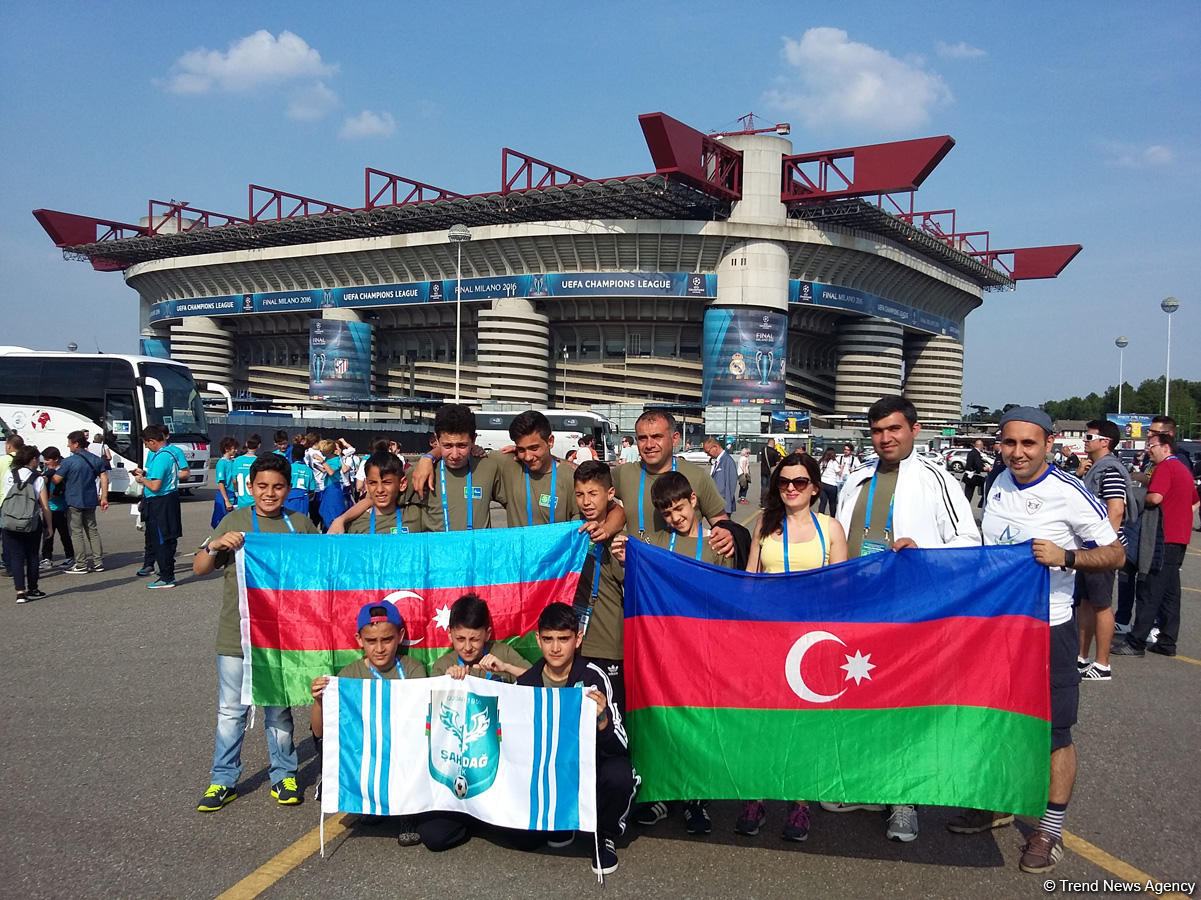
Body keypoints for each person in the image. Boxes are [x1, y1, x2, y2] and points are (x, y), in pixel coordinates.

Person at [950, 406, 1124, 875]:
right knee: (994, 720)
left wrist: (1067, 557)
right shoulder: (997, 482)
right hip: (999, 629)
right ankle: (996, 803)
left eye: (1029, 443)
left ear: (1048, 444)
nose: (1018, 452)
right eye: (1010, 443)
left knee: (1054, 733)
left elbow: (1115, 553)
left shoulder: (1069, 493)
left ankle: (1049, 828)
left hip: (1051, 629)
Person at [836, 396, 980, 844]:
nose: (886, 438)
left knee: (904, 704)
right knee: (860, 699)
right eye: (878, 431)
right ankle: (864, 783)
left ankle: (904, 798)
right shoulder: (855, 479)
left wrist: (923, 553)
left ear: (914, 430)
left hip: (912, 613)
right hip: (860, 611)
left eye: (894, 429)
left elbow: (968, 540)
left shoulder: (937, 479)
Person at [193, 452, 319, 813]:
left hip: (282, 637)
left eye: (278, 487)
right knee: (230, 711)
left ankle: (285, 774)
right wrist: (214, 545)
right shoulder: (234, 520)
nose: (269, 493)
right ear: (250, 487)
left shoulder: (301, 524)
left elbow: (322, 574)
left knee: (278, 710)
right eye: (262, 486)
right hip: (238, 634)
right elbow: (200, 567)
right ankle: (223, 779)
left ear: (288, 488)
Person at [612, 470, 735, 836]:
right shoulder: (655, 545)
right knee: (665, 721)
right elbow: (633, 581)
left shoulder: (716, 544)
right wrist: (624, 559)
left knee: (699, 723)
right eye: (667, 514)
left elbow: (728, 596)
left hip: (703, 651)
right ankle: (663, 791)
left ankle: (697, 797)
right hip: (666, 652)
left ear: (694, 501)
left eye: (680, 509)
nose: (675, 518)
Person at [738, 452, 848, 842]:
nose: (791, 488)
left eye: (800, 482)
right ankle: (756, 796)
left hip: (810, 642)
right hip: (768, 638)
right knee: (762, 723)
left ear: (814, 488)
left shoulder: (830, 528)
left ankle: (799, 803)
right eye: (784, 482)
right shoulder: (766, 526)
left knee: (803, 727)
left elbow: (841, 590)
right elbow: (750, 580)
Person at [310, 600, 466, 851]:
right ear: (359, 640)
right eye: (371, 641)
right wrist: (318, 701)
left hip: (403, 748)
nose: (380, 649)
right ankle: (368, 798)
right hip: (370, 749)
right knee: (328, 747)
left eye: (387, 640)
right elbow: (320, 732)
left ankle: (407, 814)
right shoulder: (349, 676)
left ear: (400, 636)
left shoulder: (413, 669)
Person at [517, 602, 640, 875]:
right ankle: (561, 821)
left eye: (564, 639)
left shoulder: (595, 677)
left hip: (590, 768)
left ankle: (604, 834)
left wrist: (603, 720)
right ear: (538, 639)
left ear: (578, 638)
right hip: (549, 772)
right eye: (548, 639)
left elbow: (621, 745)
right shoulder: (526, 683)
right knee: (521, 840)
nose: (556, 648)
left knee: (620, 774)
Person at [1112, 430, 1198, 659]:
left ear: (1166, 447)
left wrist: (1140, 495)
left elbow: (1155, 497)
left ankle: (1136, 641)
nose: (1148, 449)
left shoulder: (1166, 467)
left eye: (1152, 445)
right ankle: (1168, 640)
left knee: (1150, 590)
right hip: (1179, 538)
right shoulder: (1184, 470)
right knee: (1170, 593)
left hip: (1162, 537)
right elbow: (1194, 501)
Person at [607, 410, 732, 559]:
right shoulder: (623, 473)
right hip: (639, 573)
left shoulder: (697, 476)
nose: (649, 444)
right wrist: (612, 522)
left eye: (657, 437)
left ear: (674, 439)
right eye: (642, 438)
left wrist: (728, 533)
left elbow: (721, 522)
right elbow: (592, 491)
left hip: (680, 573)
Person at [1074, 419, 1135, 680]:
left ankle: (1102, 663)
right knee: (1086, 602)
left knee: (1101, 605)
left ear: (1104, 442)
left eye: (1089, 437)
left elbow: (1116, 510)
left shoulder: (1110, 470)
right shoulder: (1094, 468)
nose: (1085, 441)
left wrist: (1103, 545)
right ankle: (1081, 656)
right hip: (1088, 548)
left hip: (1100, 548)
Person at [570, 461, 627, 712]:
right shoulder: (572, 527)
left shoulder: (622, 536)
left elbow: (627, 582)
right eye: (580, 494)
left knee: (609, 710)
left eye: (593, 494)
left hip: (608, 639)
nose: (586, 502)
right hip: (577, 639)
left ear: (610, 494)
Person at [431, 593, 531, 682]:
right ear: (449, 634)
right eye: (460, 639)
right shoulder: (442, 666)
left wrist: (506, 667)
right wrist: (446, 681)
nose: (467, 647)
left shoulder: (504, 653)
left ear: (488, 634)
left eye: (474, 639)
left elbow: (540, 681)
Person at [132, 424, 184, 589]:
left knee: (162, 539)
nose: (146, 447)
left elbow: (155, 486)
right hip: (167, 499)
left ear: (153, 441)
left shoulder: (162, 456)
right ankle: (165, 573)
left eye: (147, 443)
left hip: (161, 501)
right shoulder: (170, 453)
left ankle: (166, 576)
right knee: (163, 538)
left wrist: (141, 480)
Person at [54, 430, 109, 575]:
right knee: (93, 531)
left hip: (74, 499)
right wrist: (104, 497)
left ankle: (81, 563)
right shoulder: (95, 459)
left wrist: (50, 472)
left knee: (76, 533)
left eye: (69, 444)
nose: (68, 447)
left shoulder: (68, 462)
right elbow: (104, 478)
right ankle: (98, 562)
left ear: (76, 443)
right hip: (90, 499)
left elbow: (56, 480)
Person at [3, 446, 52, 602]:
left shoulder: (9, 475)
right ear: (33, 459)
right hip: (31, 521)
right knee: (32, 555)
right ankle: (33, 589)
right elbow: (45, 506)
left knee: (16, 556)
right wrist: (48, 526)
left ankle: (20, 592)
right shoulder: (38, 479)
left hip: (10, 519)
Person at [345, 451, 418, 534]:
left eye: (387, 482)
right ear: (366, 485)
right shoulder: (356, 525)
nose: (379, 490)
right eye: (373, 483)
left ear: (402, 484)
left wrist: (429, 458)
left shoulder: (416, 516)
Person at [38, 447, 74, 569]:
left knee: (64, 534)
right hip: (49, 508)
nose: (46, 462)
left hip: (61, 508)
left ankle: (70, 557)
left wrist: (55, 493)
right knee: (48, 534)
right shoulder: (47, 471)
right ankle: (46, 558)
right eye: (45, 460)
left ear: (56, 459)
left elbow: (65, 488)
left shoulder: (62, 471)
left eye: (48, 460)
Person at [703, 437, 738, 516]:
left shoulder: (728, 461)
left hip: (722, 507)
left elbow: (731, 485)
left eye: (708, 452)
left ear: (715, 447)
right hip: (716, 505)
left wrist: (726, 507)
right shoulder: (718, 461)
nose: (707, 455)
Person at [212, 436, 239, 528]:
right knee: (222, 522)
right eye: (233, 448)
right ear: (227, 449)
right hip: (226, 494)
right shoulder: (221, 463)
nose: (236, 450)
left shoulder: (233, 462)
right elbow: (221, 483)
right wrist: (226, 500)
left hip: (233, 494)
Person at [284, 443, 318, 515]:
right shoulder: (309, 470)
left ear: (292, 455)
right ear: (303, 456)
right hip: (303, 499)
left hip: (289, 498)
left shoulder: (289, 468)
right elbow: (312, 490)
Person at [229, 436, 262, 509]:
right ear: (259, 445)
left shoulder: (237, 460)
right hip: (255, 501)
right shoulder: (259, 461)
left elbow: (234, 481)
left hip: (242, 501)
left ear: (246, 444)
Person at [963, 439, 991, 507]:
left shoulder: (972, 452)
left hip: (968, 476)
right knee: (986, 482)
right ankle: (982, 501)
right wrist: (986, 468)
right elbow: (978, 465)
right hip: (972, 476)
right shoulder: (976, 453)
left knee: (968, 494)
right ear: (981, 446)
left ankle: (964, 507)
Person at [817, 448, 840, 515]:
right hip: (832, 484)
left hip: (822, 483)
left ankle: (821, 519)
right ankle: (833, 518)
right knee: (832, 503)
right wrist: (842, 467)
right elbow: (839, 473)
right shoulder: (833, 462)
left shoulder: (821, 461)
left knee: (823, 502)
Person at [758, 440, 782, 505]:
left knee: (763, 486)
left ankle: (762, 502)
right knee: (769, 487)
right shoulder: (774, 452)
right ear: (773, 443)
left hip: (763, 471)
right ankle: (768, 502)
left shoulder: (763, 449)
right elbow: (777, 463)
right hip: (770, 471)